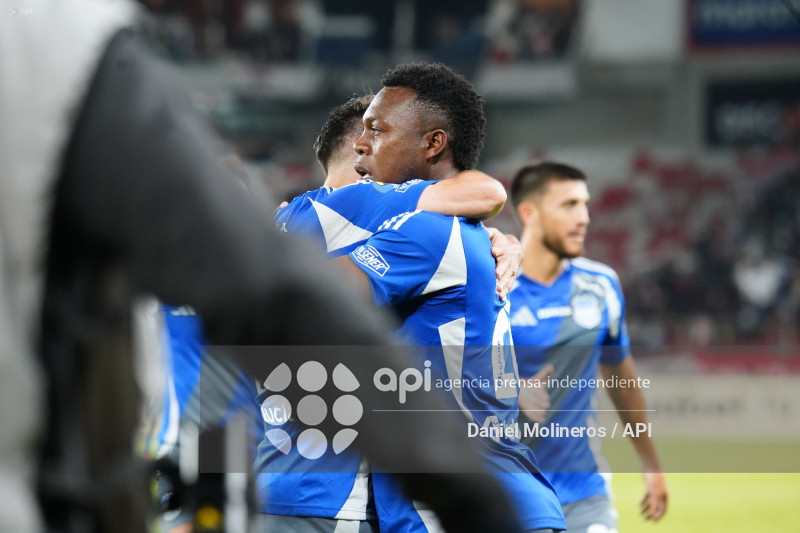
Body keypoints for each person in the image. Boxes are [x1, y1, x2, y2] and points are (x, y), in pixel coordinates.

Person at [0, 2, 525, 532]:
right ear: (350, 156)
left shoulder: (215, 241)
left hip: (203, 462)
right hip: (302, 486)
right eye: (368, 139)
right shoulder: (342, 214)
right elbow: (483, 189)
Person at [275, 62, 566, 533]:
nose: (362, 145)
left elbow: (314, 302)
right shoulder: (448, 230)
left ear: (433, 144)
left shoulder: (425, 230)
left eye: (377, 130)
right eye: (362, 131)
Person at [508, 162, 668, 532]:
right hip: (508, 491)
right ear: (529, 213)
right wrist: (510, 388)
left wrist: (650, 464)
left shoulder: (601, 285)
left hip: (584, 493)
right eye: (568, 205)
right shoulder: (492, 288)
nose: (584, 218)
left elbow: (622, 381)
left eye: (585, 204)